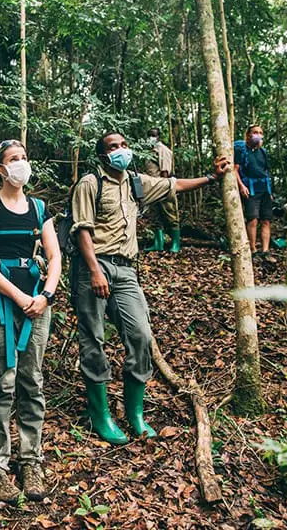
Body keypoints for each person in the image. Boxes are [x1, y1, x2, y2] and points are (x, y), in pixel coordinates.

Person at [70, 132, 230, 445]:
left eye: (124, 145)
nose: (121, 151)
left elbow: (175, 185)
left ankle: (135, 413)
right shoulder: (90, 183)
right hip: (94, 266)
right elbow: (82, 231)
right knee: (94, 338)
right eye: (113, 147)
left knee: (141, 335)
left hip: (127, 269)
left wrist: (212, 176)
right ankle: (100, 414)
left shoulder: (136, 181)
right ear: (102, 156)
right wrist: (94, 271)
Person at [0, 140, 62, 504]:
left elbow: (53, 257)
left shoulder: (39, 209)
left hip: (37, 306)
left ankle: (31, 460)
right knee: (2, 384)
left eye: (24, 157)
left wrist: (45, 296)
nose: (21, 163)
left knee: (32, 381)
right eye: (13, 159)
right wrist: (17, 296)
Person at [235, 124, 273, 253]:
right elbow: (236, 170)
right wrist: (242, 186)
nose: (258, 135)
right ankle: (253, 249)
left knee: (266, 220)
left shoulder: (262, 152)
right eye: (255, 132)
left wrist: (270, 191)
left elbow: (266, 170)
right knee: (253, 219)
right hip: (250, 188)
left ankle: (265, 250)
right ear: (248, 135)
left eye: (260, 133)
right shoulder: (242, 150)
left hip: (264, 188)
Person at [143, 127, 181, 253]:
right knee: (155, 216)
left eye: (153, 135)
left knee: (169, 214)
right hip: (151, 188)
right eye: (149, 135)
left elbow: (165, 171)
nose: (151, 138)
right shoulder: (148, 151)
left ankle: (176, 244)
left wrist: (164, 187)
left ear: (158, 136)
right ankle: (158, 243)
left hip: (163, 186)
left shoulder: (162, 150)